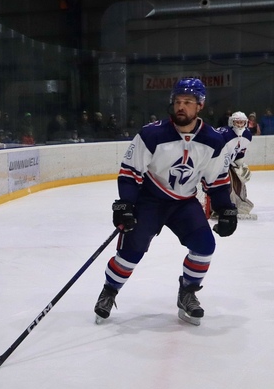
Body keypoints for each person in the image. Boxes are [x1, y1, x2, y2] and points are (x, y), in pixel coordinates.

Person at [93, 77, 236, 327]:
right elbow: (130, 172)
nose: (181, 106)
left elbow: (217, 180)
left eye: (188, 102)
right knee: (130, 253)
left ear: (200, 105)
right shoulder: (152, 134)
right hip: (150, 201)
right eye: (178, 101)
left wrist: (225, 208)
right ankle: (109, 291)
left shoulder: (213, 140)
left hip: (184, 203)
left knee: (204, 246)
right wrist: (126, 204)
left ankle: (187, 292)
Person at [213, 111, 256, 219]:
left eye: (242, 122)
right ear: (232, 123)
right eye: (237, 122)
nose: (240, 125)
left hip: (227, 164)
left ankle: (232, 205)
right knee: (222, 185)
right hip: (214, 164)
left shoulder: (247, 135)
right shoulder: (225, 134)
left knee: (238, 183)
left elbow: (239, 153)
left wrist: (240, 165)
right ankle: (217, 207)